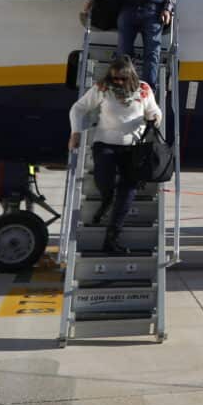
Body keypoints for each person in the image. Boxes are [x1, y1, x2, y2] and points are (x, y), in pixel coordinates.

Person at [67, 55, 163, 255]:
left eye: (122, 78)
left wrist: (155, 117)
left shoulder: (143, 90)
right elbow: (78, 108)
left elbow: (155, 111)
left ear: (131, 77)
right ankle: (107, 198)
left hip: (132, 148)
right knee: (104, 179)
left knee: (128, 190)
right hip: (105, 144)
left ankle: (112, 237)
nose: (117, 82)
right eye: (114, 78)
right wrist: (75, 132)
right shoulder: (103, 88)